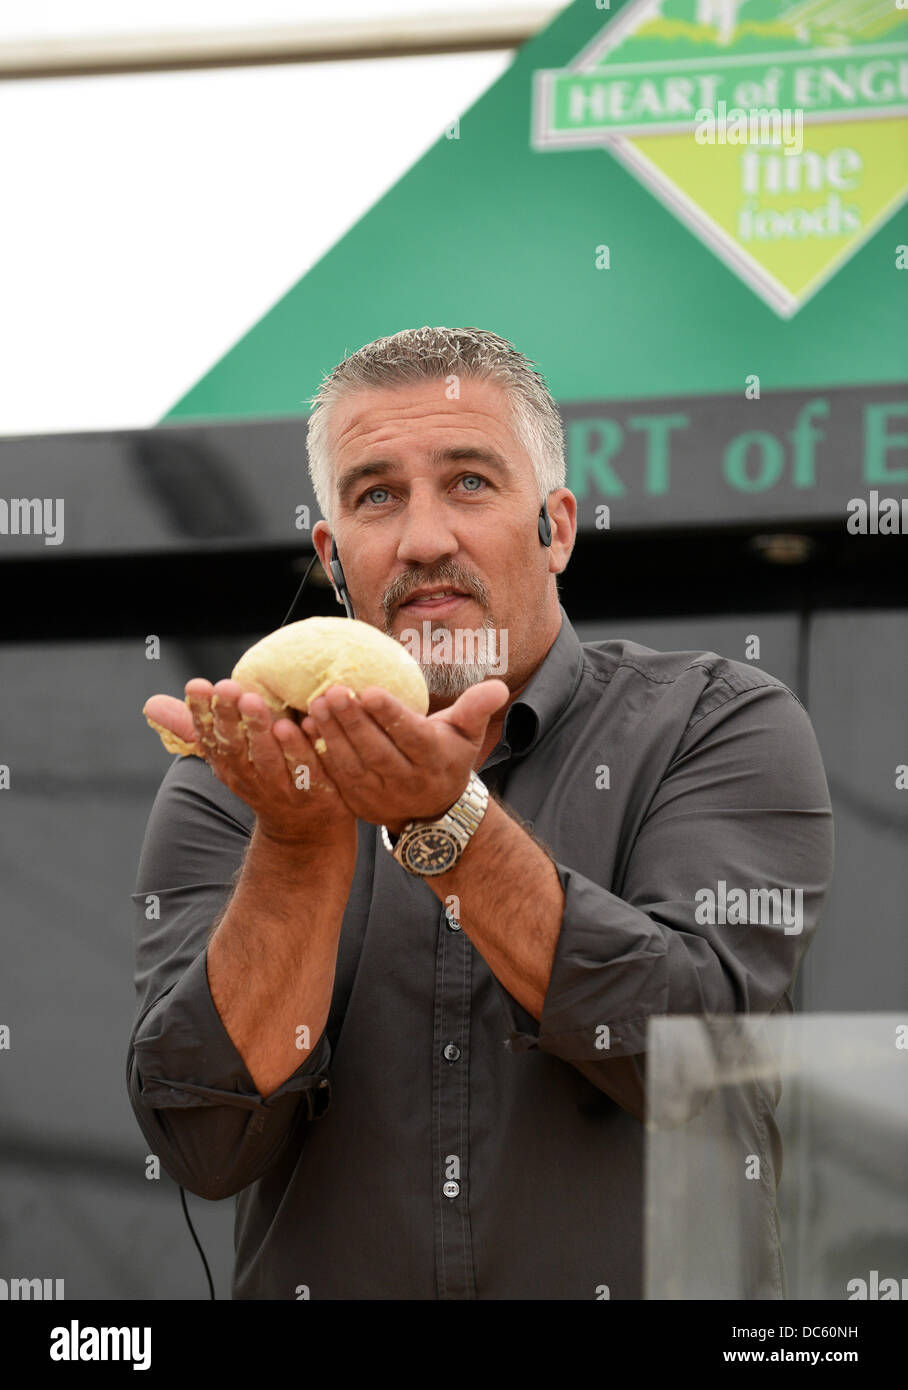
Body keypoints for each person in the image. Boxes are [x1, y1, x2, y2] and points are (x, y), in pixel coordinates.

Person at [128, 326, 834, 1300]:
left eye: (468, 481)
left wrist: (442, 824)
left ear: (556, 526)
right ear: (333, 557)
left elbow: (698, 1060)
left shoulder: (718, 725)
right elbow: (203, 1139)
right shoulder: (236, 776)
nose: (422, 540)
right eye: (377, 494)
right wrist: (296, 842)